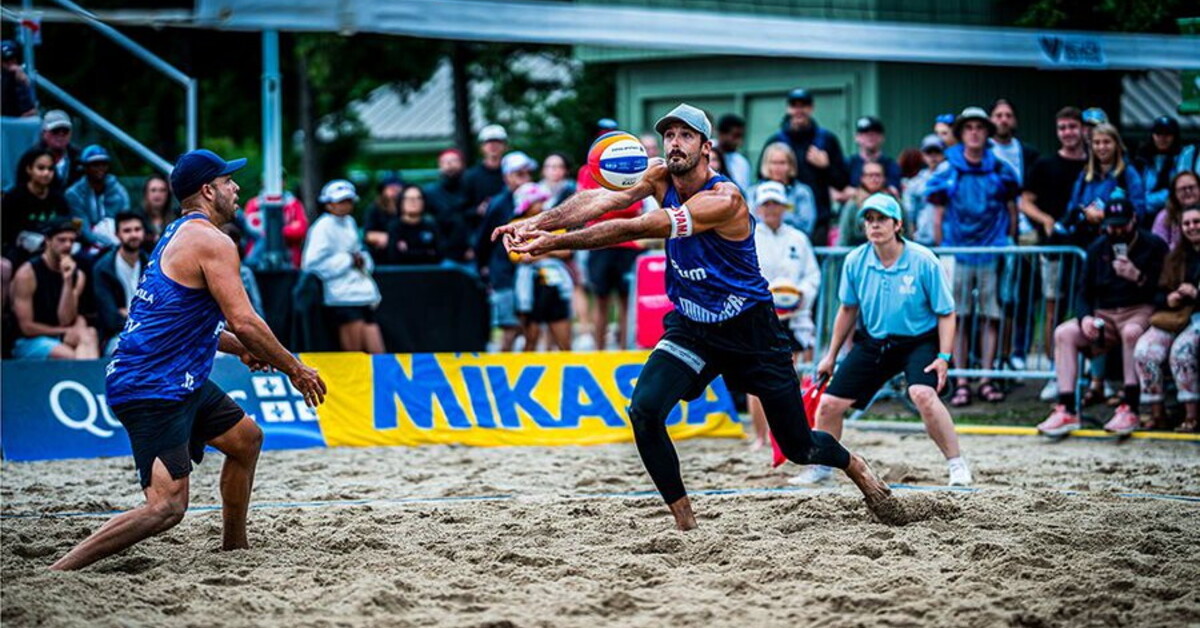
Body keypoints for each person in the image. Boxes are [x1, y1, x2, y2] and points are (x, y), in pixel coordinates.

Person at [494, 103, 896, 530]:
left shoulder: (725, 199)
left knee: (798, 445)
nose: (674, 143)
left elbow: (638, 228)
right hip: (693, 326)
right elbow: (603, 198)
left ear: (707, 148)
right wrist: (539, 221)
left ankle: (855, 466)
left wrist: (554, 243)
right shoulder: (658, 174)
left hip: (751, 329)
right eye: (668, 135)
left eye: (685, 136)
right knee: (644, 412)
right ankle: (686, 523)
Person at [50, 149, 326, 571]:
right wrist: (296, 368)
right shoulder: (212, 242)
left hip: (180, 378)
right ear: (208, 190)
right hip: (151, 385)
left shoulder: (179, 232)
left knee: (246, 439)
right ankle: (59, 571)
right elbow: (246, 320)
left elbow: (196, 324)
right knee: (166, 507)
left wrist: (243, 348)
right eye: (229, 181)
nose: (237, 189)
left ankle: (235, 549)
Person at [790, 193, 970, 487]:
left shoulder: (924, 260)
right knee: (829, 404)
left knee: (923, 395)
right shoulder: (856, 260)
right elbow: (847, 309)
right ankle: (822, 468)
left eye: (882, 219)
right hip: (875, 341)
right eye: (869, 220)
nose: (874, 225)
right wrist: (830, 355)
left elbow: (947, 313)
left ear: (897, 224)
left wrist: (944, 357)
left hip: (918, 341)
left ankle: (957, 465)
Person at [1037, 198, 1167, 437]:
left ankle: (1130, 406)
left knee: (1131, 333)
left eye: (1122, 225)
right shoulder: (1097, 247)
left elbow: (1164, 292)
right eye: (1111, 225)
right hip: (1104, 314)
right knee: (1064, 333)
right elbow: (1083, 293)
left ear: (1134, 220)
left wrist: (1137, 276)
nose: (1116, 231)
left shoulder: (1154, 245)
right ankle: (1066, 408)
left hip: (1140, 309)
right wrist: (1085, 318)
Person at [927, 106, 1019, 408]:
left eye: (981, 127)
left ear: (987, 132)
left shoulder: (1000, 169)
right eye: (969, 127)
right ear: (962, 132)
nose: (975, 132)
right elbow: (938, 214)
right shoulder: (948, 169)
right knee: (961, 317)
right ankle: (963, 380)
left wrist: (1010, 240)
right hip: (959, 250)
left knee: (991, 315)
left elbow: (1011, 208)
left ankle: (987, 378)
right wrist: (945, 251)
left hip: (991, 250)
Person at [1021, 106, 1089, 399]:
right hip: (1053, 249)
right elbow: (1025, 201)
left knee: (1086, 310)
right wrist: (1046, 219)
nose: (1068, 133)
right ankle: (1054, 371)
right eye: (1062, 128)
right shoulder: (1045, 164)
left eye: (1072, 127)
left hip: (1087, 248)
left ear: (1082, 129)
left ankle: (1088, 373)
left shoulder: (1092, 165)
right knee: (1053, 310)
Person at [747, 181, 820, 450]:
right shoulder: (748, 236)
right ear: (758, 207)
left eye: (776, 204)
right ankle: (760, 436)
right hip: (760, 316)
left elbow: (813, 276)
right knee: (756, 378)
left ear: (784, 207)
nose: (771, 209)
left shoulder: (798, 239)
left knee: (798, 374)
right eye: (766, 204)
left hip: (796, 316)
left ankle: (797, 433)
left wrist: (800, 294)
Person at [1134, 206, 1199, 432]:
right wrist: (1168, 298)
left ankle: (1192, 416)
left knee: (1182, 350)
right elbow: (1156, 292)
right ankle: (1156, 414)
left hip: (1197, 319)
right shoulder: (1174, 257)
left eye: (1197, 221)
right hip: (1174, 317)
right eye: (1187, 223)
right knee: (1145, 350)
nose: (1192, 227)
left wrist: (1196, 294)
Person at [301, 179, 385, 353]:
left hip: (363, 295)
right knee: (354, 354)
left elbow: (358, 251)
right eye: (340, 201)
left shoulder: (350, 223)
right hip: (341, 297)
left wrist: (361, 260)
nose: (345, 205)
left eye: (348, 201)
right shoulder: (322, 227)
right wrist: (348, 260)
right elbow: (311, 263)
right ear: (328, 204)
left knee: (377, 352)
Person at [759, 88, 849, 247]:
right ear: (788, 108)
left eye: (804, 105)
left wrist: (826, 166)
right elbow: (761, 175)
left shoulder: (826, 139)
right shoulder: (776, 140)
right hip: (778, 215)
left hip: (817, 219)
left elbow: (842, 182)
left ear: (811, 108)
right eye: (794, 105)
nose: (799, 110)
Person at [9, 220, 99, 360]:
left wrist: (67, 281)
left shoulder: (78, 275)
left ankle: (91, 379)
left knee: (89, 334)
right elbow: (26, 328)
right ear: (48, 241)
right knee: (71, 356)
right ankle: (90, 378)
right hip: (28, 341)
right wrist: (65, 331)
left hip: (60, 335)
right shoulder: (27, 273)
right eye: (62, 240)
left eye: (71, 241)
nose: (68, 245)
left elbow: (65, 319)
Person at [475, 151, 538, 351]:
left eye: (528, 173)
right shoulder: (500, 203)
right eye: (519, 174)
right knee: (510, 326)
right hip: (503, 272)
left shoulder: (532, 199)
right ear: (507, 177)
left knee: (529, 324)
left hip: (526, 271)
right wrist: (484, 268)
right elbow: (483, 240)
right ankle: (503, 375)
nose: (525, 178)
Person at [511, 182, 573, 351]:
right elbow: (518, 255)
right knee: (530, 340)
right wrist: (550, 248)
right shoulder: (517, 224)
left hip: (555, 284)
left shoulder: (553, 223)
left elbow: (566, 250)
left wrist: (538, 251)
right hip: (531, 286)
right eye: (537, 201)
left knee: (564, 343)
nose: (542, 205)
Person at [1064, 123, 1146, 248]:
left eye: (1107, 142)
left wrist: (1105, 215)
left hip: (1119, 241)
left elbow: (1138, 209)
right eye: (1096, 143)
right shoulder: (1085, 176)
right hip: (1086, 241)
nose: (1101, 147)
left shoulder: (1128, 173)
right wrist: (1086, 214)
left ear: (1117, 145)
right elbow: (1073, 207)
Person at [91, 212, 149, 354]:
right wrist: (144, 318)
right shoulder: (103, 268)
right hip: (117, 336)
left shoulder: (152, 264)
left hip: (151, 333)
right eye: (127, 231)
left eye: (137, 229)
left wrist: (128, 313)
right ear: (117, 234)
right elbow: (110, 318)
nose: (133, 235)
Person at [2, 148, 70, 266]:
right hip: (21, 250)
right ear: (29, 169)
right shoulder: (14, 197)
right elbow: (7, 232)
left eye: (50, 169)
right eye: (41, 168)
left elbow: (67, 223)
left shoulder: (58, 198)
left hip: (55, 248)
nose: (46, 173)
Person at [64, 145, 131, 249]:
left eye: (103, 164)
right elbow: (81, 227)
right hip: (85, 243)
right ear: (85, 167)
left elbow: (126, 220)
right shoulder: (73, 194)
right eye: (95, 164)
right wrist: (105, 243)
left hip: (118, 241)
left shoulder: (119, 191)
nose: (100, 168)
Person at [241, 172, 309, 268]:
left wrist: (274, 232)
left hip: (289, 261)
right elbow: (249, 229)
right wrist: (283, 230)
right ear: (263, 182)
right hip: (258, 263)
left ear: (284, 182)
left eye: (279, 179)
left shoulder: (293, 204)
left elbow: (301, 229)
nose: (274, 183)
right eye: (270, 179)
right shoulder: (254, 203)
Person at [750, 142, 818, 236]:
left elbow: (806, 225)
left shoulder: (802, 192)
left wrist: (777, 224)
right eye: (774, 163)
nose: (778, 167)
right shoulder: (753, 192)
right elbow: (749, 222)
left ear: (791, 165)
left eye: (782, 163)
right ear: (766, 165)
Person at [462, 124, 509, 255]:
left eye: (497, 142)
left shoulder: (513, 173)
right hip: (480, 235)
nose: (493, 146)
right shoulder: (471, 176)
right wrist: (478, 210)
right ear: (481, 147)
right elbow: (462, 210)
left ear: (505, 146)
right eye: (489, 142)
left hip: (509, 233)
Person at [424, 149, 471, 265]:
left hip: (470, 255)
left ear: (462, 164)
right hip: (441, 255)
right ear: (439, 166)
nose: (450, 165)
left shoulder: (472, 191)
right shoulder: (430, 193)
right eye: (445, 162)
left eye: (454, 161)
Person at [901, 134, 947, 246]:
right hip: (923, 240)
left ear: (944, 153)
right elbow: (909, 213)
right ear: (923, 155)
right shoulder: (915, 184)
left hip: (949, 240)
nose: (933, 156)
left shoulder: (952, 178)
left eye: (937, 152)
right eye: (929, 152)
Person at [23, 110, 84, 194]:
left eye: (65, 131)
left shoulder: (80, 158)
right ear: (44, 133)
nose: (60, 135)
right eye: (55, 131)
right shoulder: (31, 157)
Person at [835, 161, 890, 247]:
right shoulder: (852, 205)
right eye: (870, 175)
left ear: (884, 178)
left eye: (878, 175)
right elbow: (843, 238)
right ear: (862, 178)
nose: (874, 179)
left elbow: (905, 234)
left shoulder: (893, 203)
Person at [1138, 116, 1184, 215]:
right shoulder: (1141, 160)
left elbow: (1178, 193)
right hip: (1143, 216)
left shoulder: (1183, 159)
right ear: (1152, 135)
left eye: (1167, 134)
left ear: (1174, 136)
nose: (1162, 138)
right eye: (1158, 133)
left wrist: (1143, 200)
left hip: (1173, 215)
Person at [386, 184, 442, 265]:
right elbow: (394, 257)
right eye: (409, 199)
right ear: (401, 202)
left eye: (418, 198)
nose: (414, 202)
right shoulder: (394, 227)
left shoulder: (431, 225)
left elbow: (439, 255)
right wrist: (425, 252)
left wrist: (407, 252)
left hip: (429, 273)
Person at [846, 116, 901, 193]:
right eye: (866, 133)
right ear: (857, 137)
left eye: (875, 133)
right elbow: (837, 194)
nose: (870, 137)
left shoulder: (891, 165)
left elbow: (893, 191)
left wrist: (855, 192)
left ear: (882, 137)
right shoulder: (848, 164)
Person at [363, 175, 404, 265]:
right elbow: (368, 235)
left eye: (397, 187)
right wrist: (391, 240)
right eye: (391, 187)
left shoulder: (405, 208)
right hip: (381, 254)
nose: (395, 190)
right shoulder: (374, 209)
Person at [1154, 172, 1200, 250]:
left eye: (1191, 187)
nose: (1188, 191)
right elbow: (1158, 246)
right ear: (1174, 193)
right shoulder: (1164, 216)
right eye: (1182, 189)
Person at [138, 173, 175, 252]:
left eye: (162, 190)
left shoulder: (176, 218)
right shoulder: (137, 218)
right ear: (146, 193)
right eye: (153, 190)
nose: (157, 194)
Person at [1, 40, 37, 118]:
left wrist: (24, 82)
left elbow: (30, 111)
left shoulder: (20, 77)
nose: (10, 64)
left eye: (13, 59)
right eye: (5, 61)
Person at [716, 113, 752, 190]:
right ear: (721, 134)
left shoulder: (742, 163)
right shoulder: (704, 151)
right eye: (735, 136)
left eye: (741, 136)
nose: (739, 142)